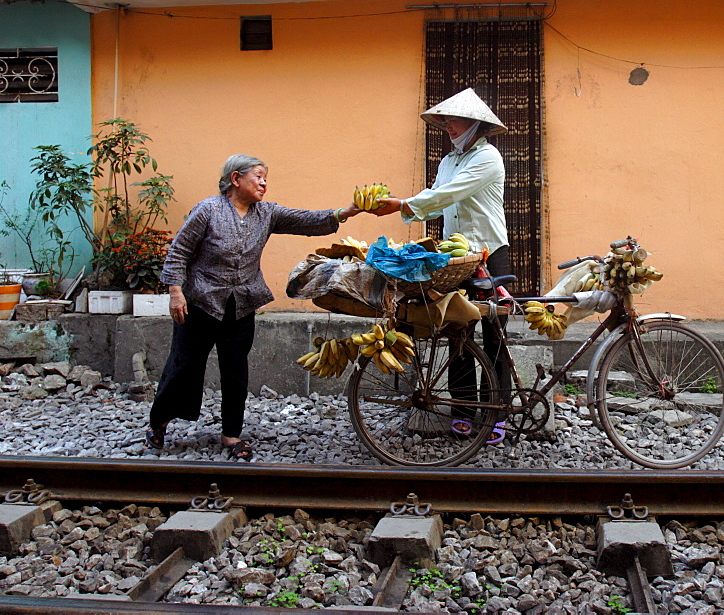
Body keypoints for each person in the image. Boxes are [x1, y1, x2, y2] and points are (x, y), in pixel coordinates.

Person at [145, 154, 362, 460]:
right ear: (235, 179)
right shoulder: (208, 210)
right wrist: (176, 292)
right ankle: (159, 423)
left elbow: (306, 220)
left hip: (241, 304)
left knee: (236, 370)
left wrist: (345, 212)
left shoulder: (267, 213)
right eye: (258, 176)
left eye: (265, 178)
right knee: (183, 366)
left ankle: (231, 434)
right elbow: (179, 251)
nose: (264, 183)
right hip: (200, 302)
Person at [372, 88, 511, 443]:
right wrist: (403, 207)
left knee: (494, 336)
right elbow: (435, 204)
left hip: (490, 253)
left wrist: (404, 203)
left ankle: (498, 412)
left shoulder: (488, 157)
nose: (447, 125)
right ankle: (463, 410)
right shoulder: (448, 161)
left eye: (453, 120)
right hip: (454, 259)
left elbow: (451, 194)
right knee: (457, 333)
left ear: (473, 123)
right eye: (445, 120)